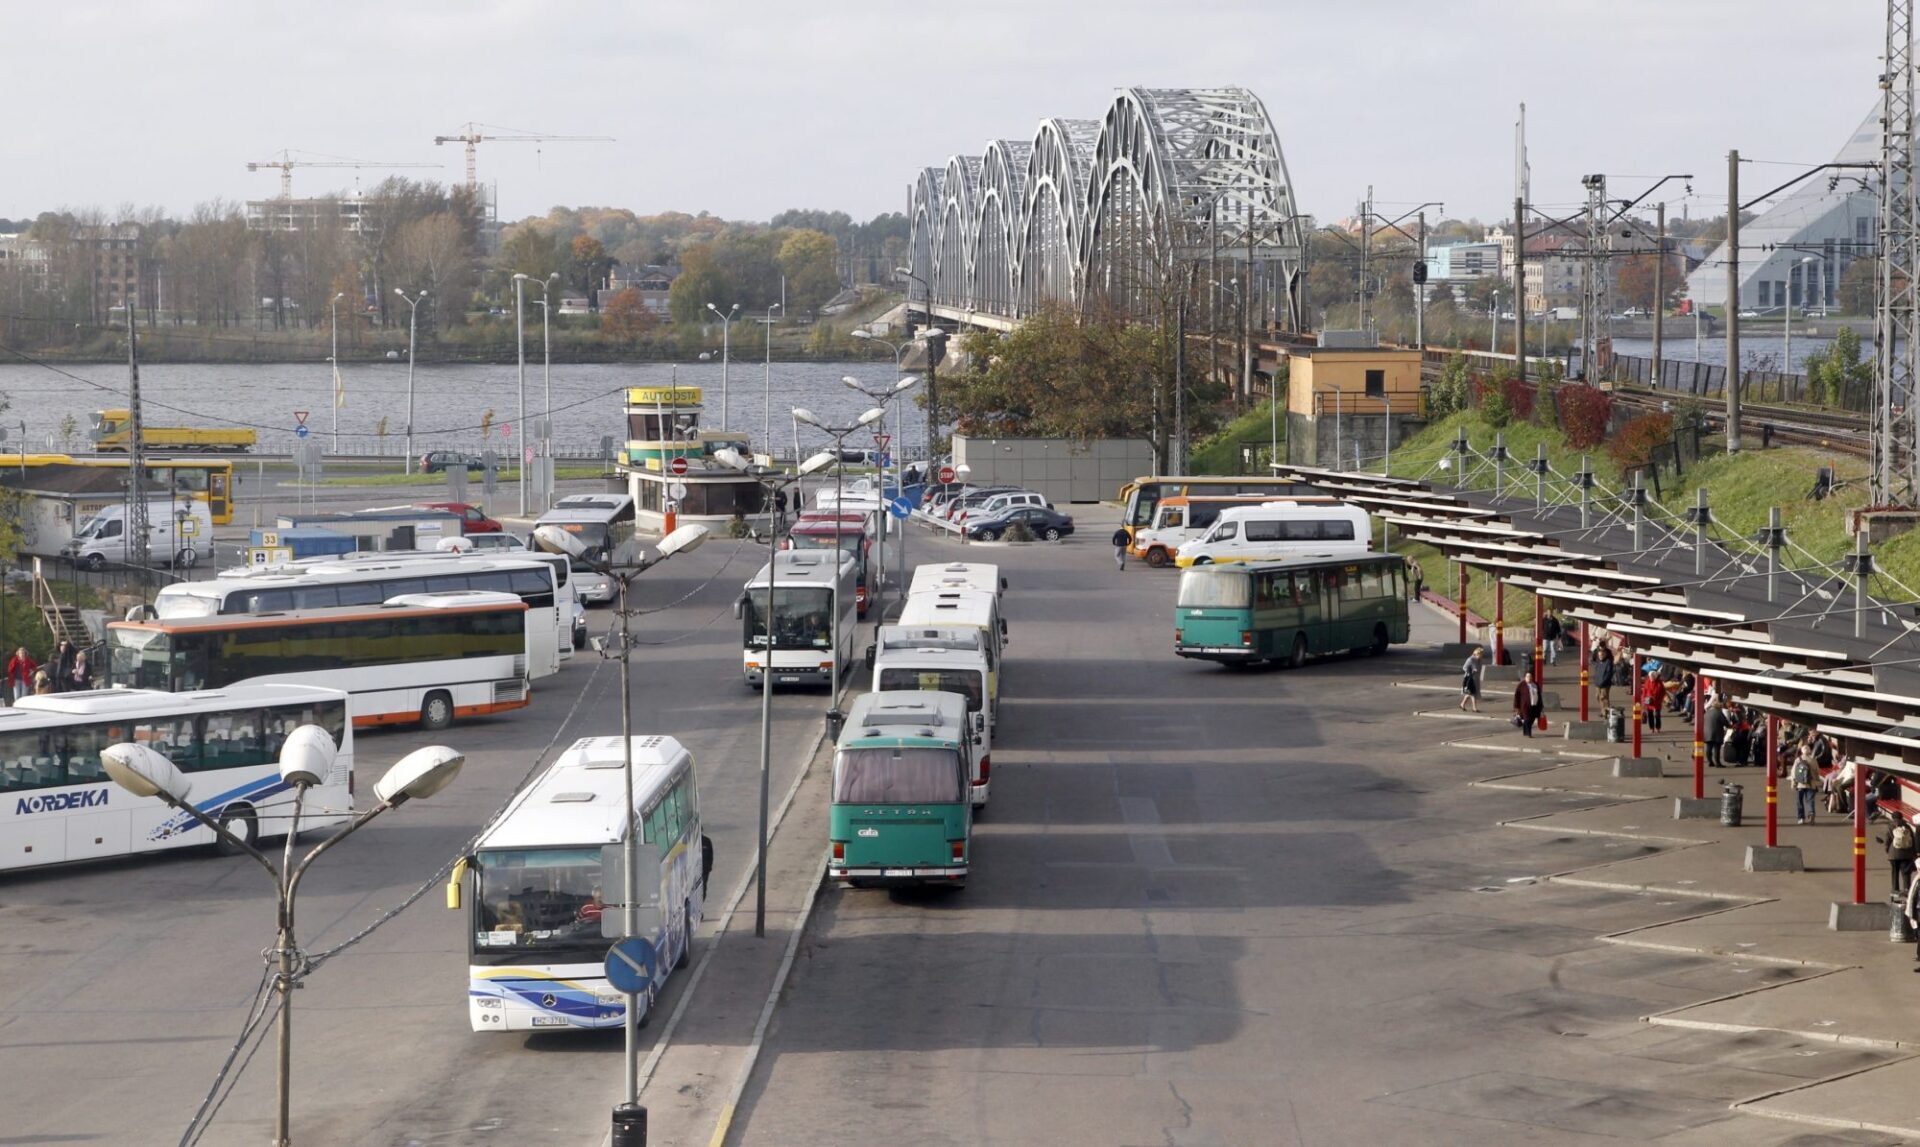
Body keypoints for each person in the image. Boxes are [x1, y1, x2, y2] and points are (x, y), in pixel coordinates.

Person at [1791, 746, 1820, 825]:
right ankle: (1811, 814)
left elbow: (1793, 773)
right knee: (1810, 801)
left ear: (1802, 751)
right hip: (1811, 784)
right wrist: (1817, 782)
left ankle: (1801, 818)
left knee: (1799, 801)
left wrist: (1794, 783)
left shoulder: (1798, 760)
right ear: (1809, 751)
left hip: (1800, 784)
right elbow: (1817, 772)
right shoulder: (1813, 760)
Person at [1512, 659, 1542, 737]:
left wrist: (1541, 706)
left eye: (1530, 676)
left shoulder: (1535, 684)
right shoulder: (1521, 685)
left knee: (1531, 719)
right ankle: (1529, 733)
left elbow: (1539, 695)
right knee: (1527, 719)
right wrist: (1516, 706)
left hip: (1534, 705)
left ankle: (1525, 730)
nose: (1529, 678)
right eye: (1528, 676)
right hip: (1524, 706)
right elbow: (1517, 696)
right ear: (1525, 677)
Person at [1459, 647, 1485, 713]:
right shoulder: (1470, 659)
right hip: (1471, 678)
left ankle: (1462, 704)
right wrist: (1471, 671)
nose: (1481, 656)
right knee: (1473, 693)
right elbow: (1464, 667)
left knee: (1470, 692)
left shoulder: (1480, 660)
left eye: (1482, 655)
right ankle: (1474, 708)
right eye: (1480, 655)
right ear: (1476, 654)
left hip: (1476, 678)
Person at [1704, 699, 1726, 768]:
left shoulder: (1707, 713)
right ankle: (1717, 763)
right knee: (1717, 748)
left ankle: (1710, 761)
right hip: (1717, 733)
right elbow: (1725, 722)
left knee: (1709, 748)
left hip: (1707, 732)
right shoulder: (1719, 713)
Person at [1592, 645, 1615, 712]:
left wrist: (1603, 681)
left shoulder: (1608, 662)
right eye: (1599, 654)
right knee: (1598, 696)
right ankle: (1603, 710)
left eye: (1602, 654)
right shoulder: (1599, 661)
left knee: (1604, 698)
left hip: (1605, 683)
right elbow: (1594, 657)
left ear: (1606, 654)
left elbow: (1609, 673)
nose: (1601, 655)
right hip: (1598, 682)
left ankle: (1606, 713)